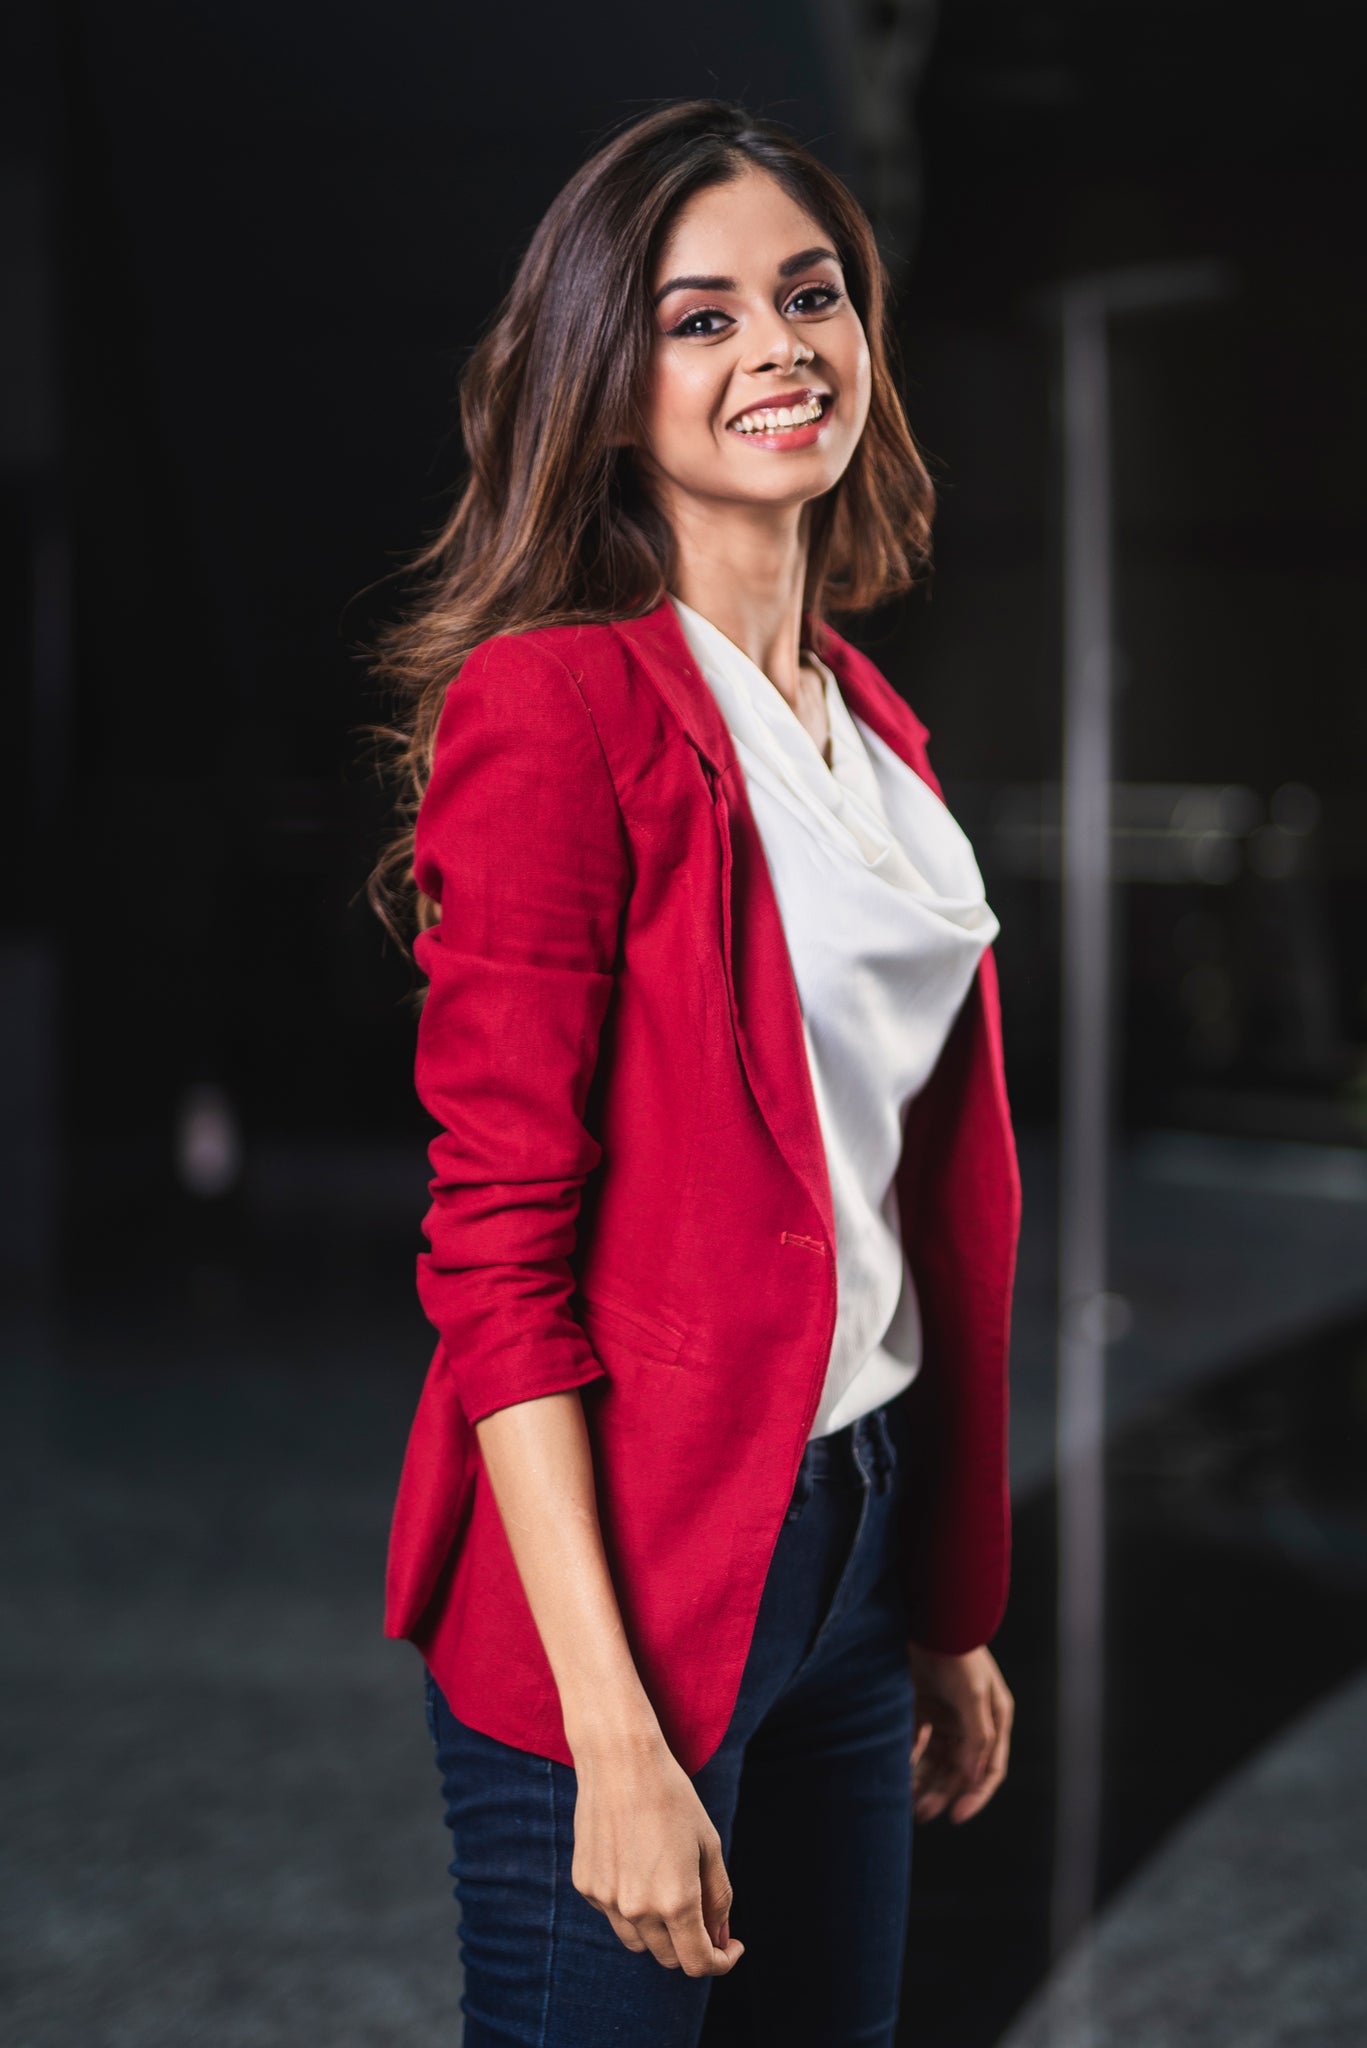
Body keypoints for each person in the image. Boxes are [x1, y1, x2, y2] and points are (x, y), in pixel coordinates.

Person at [367, 97, 1021, 2048]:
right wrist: (613, 1734)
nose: (778, 352)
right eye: (701, 317)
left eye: (810, 298)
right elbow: (496, 1256)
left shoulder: (861, 718)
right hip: (636, 1583)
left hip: (856, 1533)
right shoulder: (558, 706)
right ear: (603, 372)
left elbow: (897, 1188)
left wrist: (945, 1606)